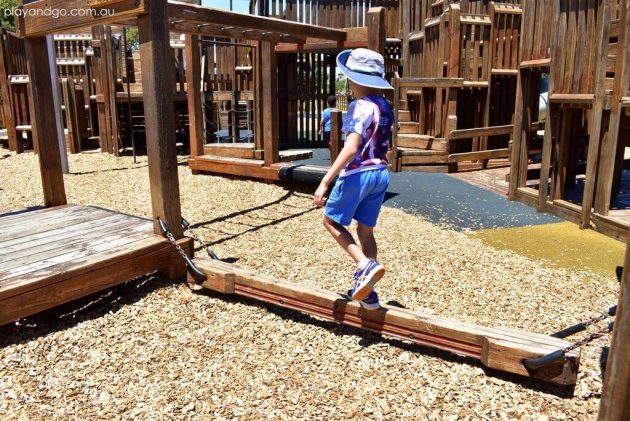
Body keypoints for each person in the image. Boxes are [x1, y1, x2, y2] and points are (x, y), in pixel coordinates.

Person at [313, 48, 395, 310]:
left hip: (358, 173)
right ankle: (368, 293)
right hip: (380, 173)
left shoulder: (359, 106)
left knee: (330, 220)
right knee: (365, 230)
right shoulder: (386, 106)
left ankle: (364, 265)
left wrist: (326, 179)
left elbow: (351, 147)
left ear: (356, 80)